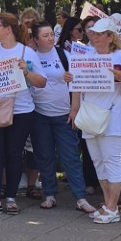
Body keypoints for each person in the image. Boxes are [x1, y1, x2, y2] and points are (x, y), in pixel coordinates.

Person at [0, 13, 45, 215]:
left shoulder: (27, 52)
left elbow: (41, 83)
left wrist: (26, 72)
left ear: (8, 29)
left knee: (14, 155)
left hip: (21, 111)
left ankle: (11, 198)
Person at [73, 19, 121, 223]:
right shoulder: (87, 56)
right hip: (90, 115)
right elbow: (78, 84)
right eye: (93, 33)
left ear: (111, 37)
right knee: (98, 161)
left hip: (112, 117)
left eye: (100, 34)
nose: (95, 37)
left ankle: (112, 207)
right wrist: (74, 109)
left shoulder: (120, 56)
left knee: (112, 161)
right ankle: (108, 204)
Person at [26, 21, 88, 212]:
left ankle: (81, 197)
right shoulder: (31, 57)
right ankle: (49, 194)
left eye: (51, 34)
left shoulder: (64, 55)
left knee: (70, 156)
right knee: (44, 156)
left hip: (64, 115)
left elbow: (77, 83)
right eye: (45, 36)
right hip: (39, 114)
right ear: (36, 40)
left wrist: (74, 109)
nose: (50, 38)